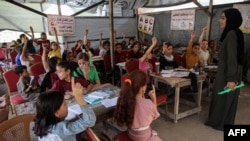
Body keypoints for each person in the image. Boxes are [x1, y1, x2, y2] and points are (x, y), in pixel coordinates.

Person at [205, 8, 244, 131]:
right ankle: (218, 121)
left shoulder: (232, 34)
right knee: (221, 97)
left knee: (223, 98)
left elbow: (232, 58)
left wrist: (231, 79)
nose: (219, 20)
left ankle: (220, 123)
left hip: (228, 73)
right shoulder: (233, 33)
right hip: (226, 72)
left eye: (223, 18)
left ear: (230, 19)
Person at [113, 70, 162, 141]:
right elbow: (155, 116)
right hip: (144, 137)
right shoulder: (147, 103)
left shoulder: (125, 99)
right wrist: (154, 99)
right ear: (142, 87)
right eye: (145, 84)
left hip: (131, 134)